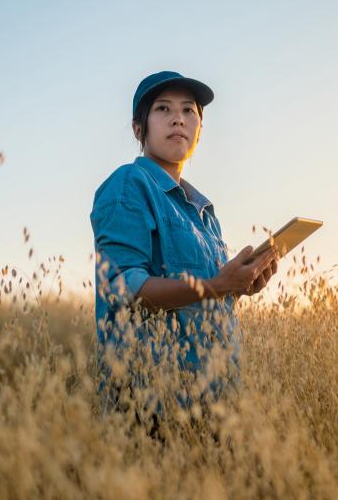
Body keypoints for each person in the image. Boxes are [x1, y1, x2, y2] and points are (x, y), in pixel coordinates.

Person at [90, 71, 278, 414]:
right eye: (163, 109)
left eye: (189, 111)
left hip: (214, 399)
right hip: (151, 403)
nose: (178, 118)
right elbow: (124, 287)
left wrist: (241, 285)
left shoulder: (203, 211)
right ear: (138, 129)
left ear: (199, 131)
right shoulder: (129, 185)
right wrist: (216, 286)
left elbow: (204, 294)